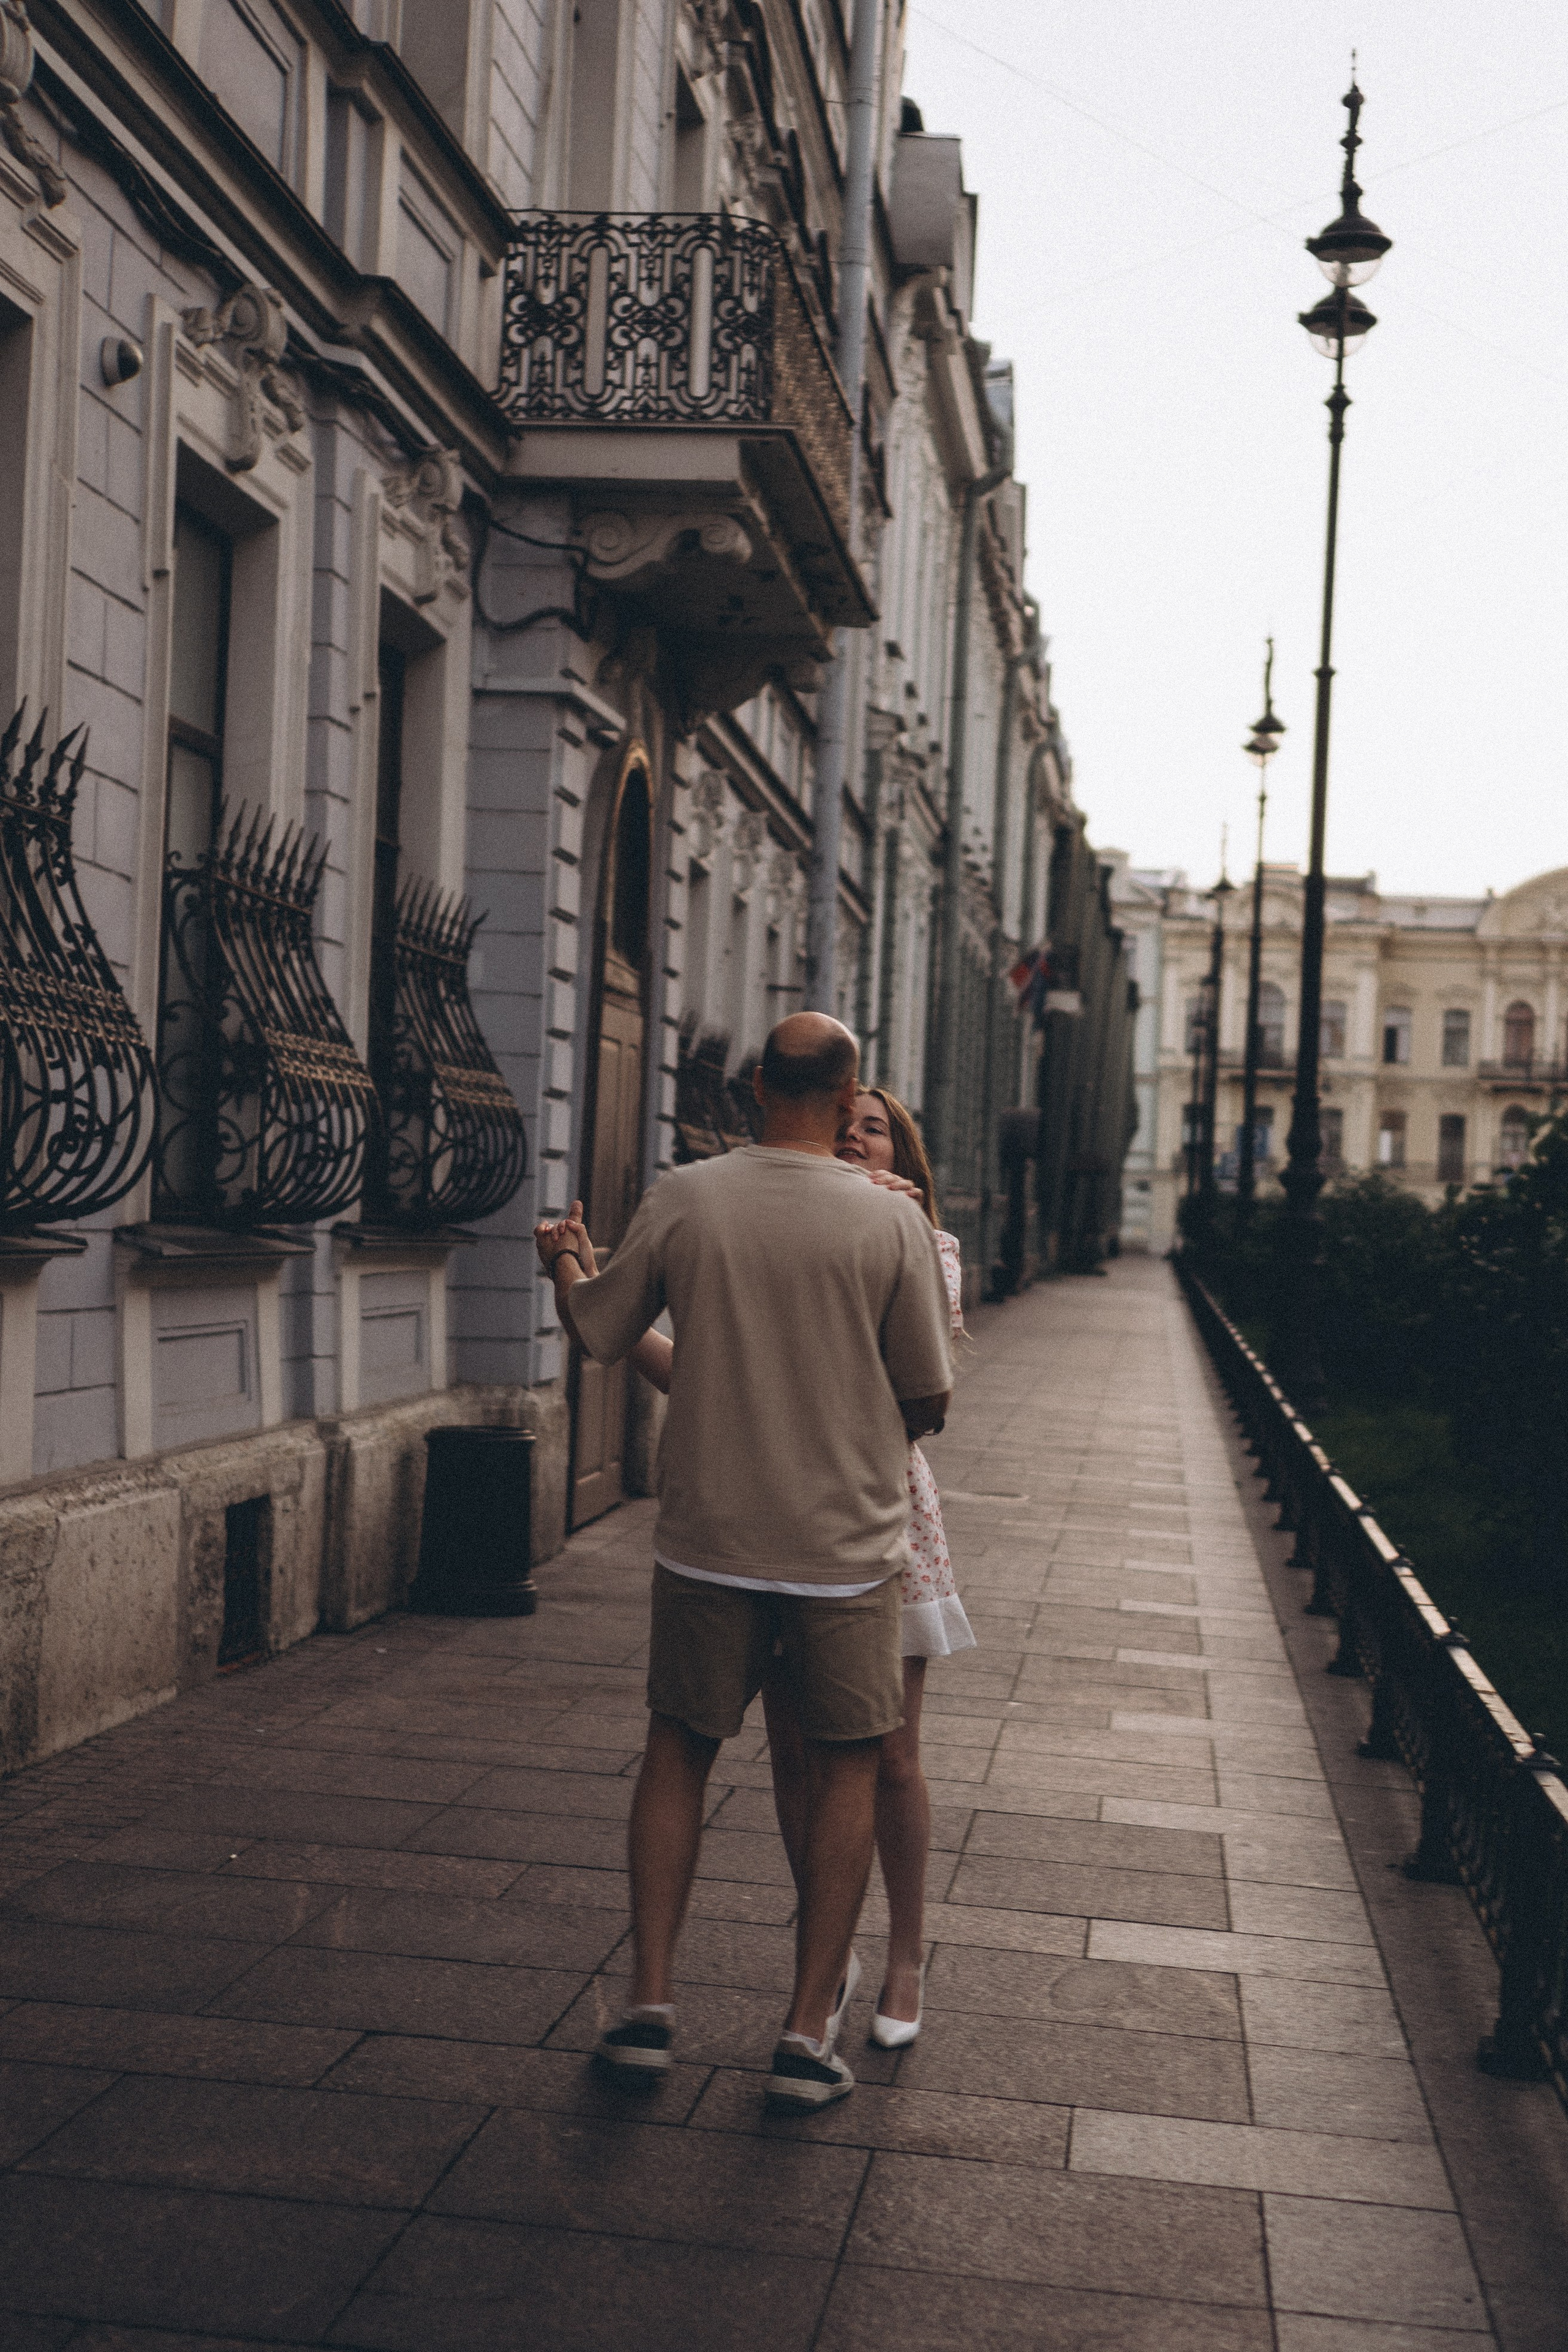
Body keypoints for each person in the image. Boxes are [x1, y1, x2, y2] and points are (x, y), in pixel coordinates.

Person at [533, 1014, 952, 2113]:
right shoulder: (888, 1222)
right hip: (846, 1545)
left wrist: (568, 1260)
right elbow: (930, 1399)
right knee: (850, 1764)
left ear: (758, 1085)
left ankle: (648, 2009)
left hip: (711, 1533)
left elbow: (599, 1332)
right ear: (847, 1090)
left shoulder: (686, 1195)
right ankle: (806, 2034)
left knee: (679, 1749)